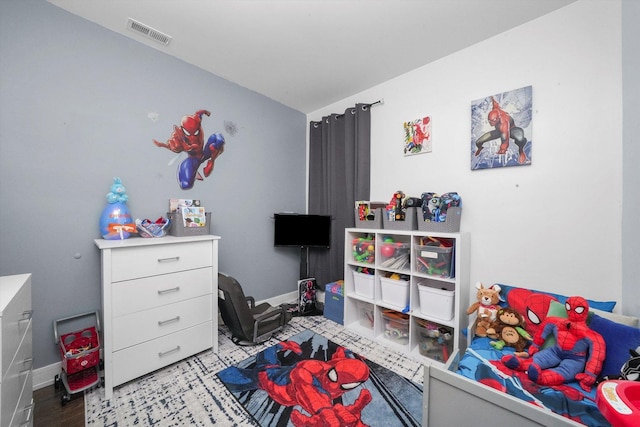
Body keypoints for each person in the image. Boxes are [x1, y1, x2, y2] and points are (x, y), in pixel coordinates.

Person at [474, 96, 528, 164]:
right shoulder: (495, 109)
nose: (491, 123)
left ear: (497, 119)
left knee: (520, 138)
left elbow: (505, 140)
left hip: (511, 130)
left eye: (492, 122)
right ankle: (480, 148)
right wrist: (492, 98)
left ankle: (521, 151)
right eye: (490, 121)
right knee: (478, 142)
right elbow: (495, 103)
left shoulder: (504, 123)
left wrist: (502, 149)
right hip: (499, 131)